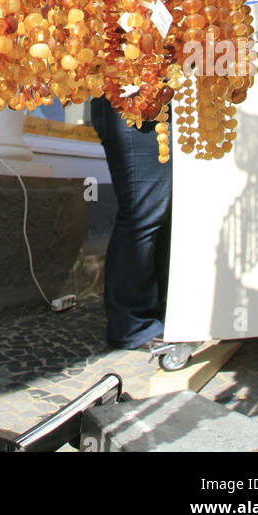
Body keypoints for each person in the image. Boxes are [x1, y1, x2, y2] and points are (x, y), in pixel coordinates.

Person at [89, 95, 177, 355]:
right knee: (143, 210)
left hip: (145, 98)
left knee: (156, 210)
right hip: (131, 98)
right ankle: (131, 325)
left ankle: (150, 313)